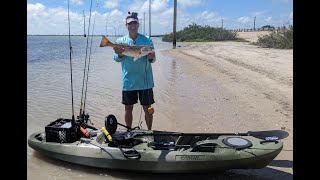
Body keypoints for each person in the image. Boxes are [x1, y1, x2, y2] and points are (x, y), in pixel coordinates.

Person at [113, 12, 156, 130]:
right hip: (128, 81)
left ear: (138, 24)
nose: (132, 25)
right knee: (128, 108)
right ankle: (128, 131)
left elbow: (153, 59)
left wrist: (151, 56)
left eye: (135, 23)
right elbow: (116, 59)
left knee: (148, 108)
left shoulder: (147, 40)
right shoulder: (121, 40)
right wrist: (119, 54)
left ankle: (149, 131)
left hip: (145, 81)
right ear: (126, 25)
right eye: (130, 23)